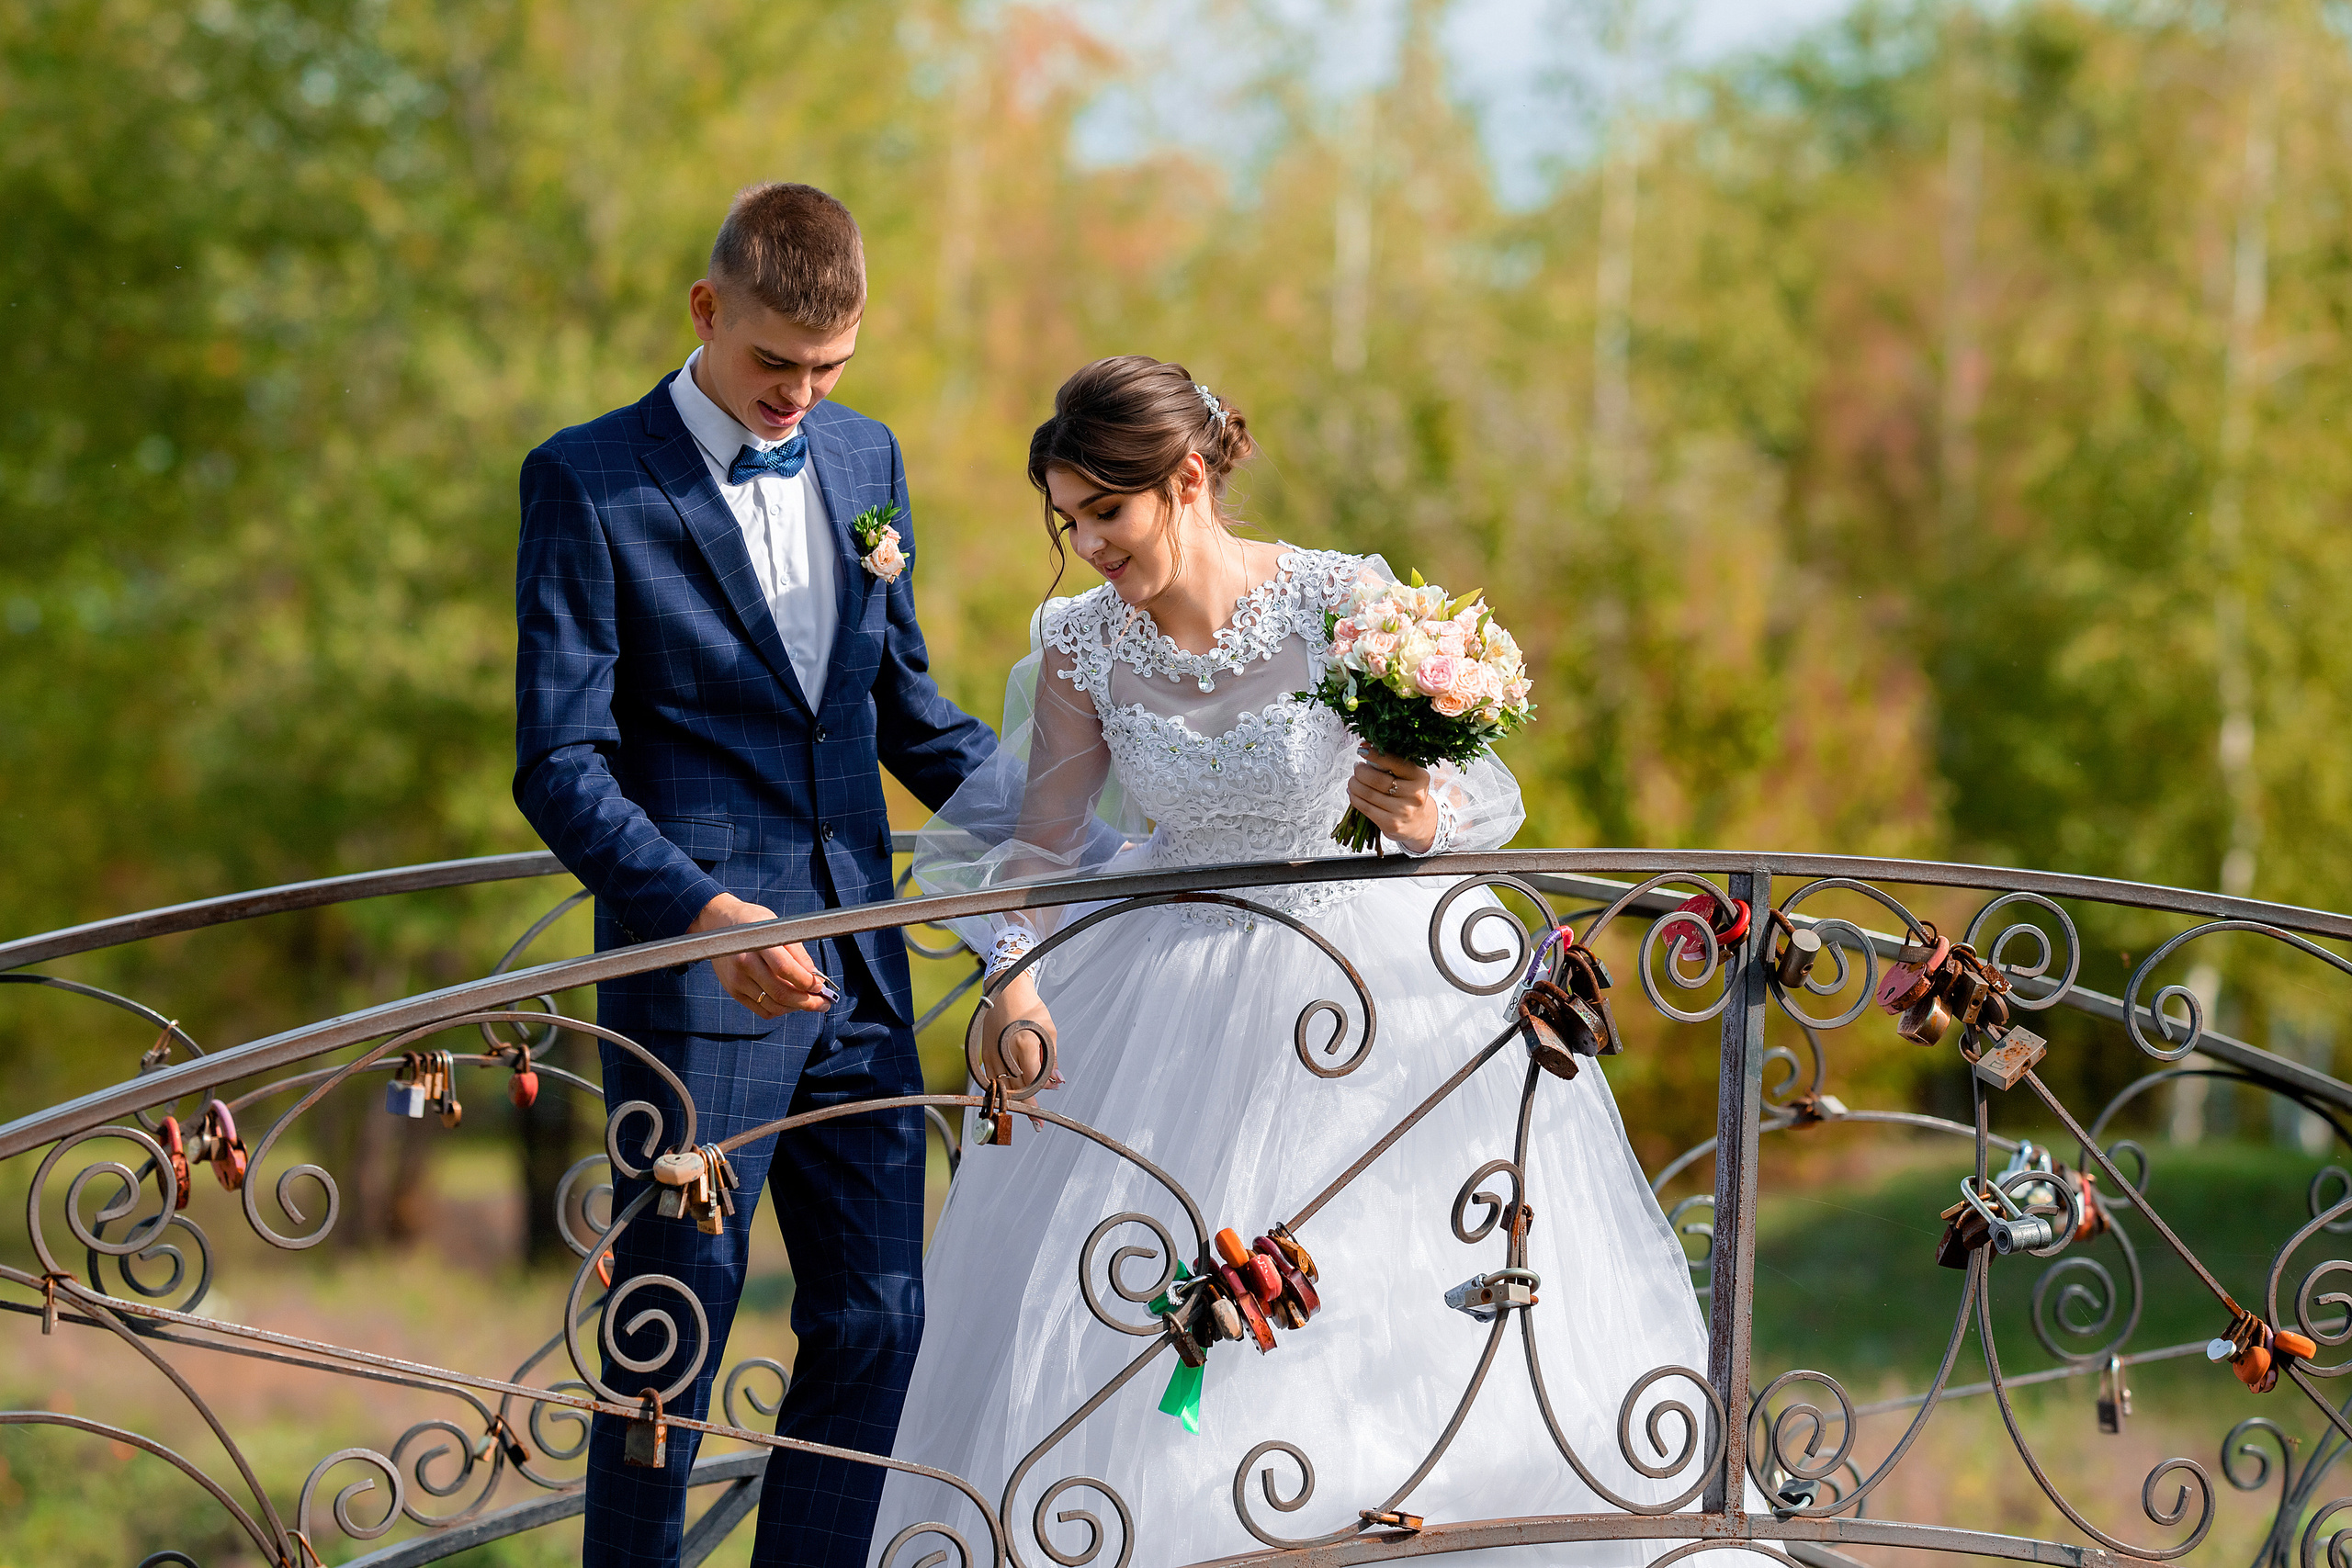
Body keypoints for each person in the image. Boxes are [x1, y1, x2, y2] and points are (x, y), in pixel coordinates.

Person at [871, 357, 1740, 1566]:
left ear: (1186, 480)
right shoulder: (1080, 644)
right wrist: (1011, 975)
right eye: (1068, 523)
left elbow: (1484, 795)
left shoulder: (1344, 600)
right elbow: (1039, 851)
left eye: (1105, 516)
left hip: (1376, 995)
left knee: (1403, 1296)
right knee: (1165, 1312)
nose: (1088, 547)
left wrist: (1422, 814)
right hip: (1165, 1002)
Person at [513, 182, 996, 1568]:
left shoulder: (865, 459)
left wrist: (1092, 836)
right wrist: (702, 917)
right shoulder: (587, 479)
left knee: (882, 1317)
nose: (799, 395)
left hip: (867, 959)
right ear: (706, 311)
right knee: (674, 1330)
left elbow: (909, 711)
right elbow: (558, 763)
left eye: (828, 369)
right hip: (698, 983)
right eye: (775, 363)